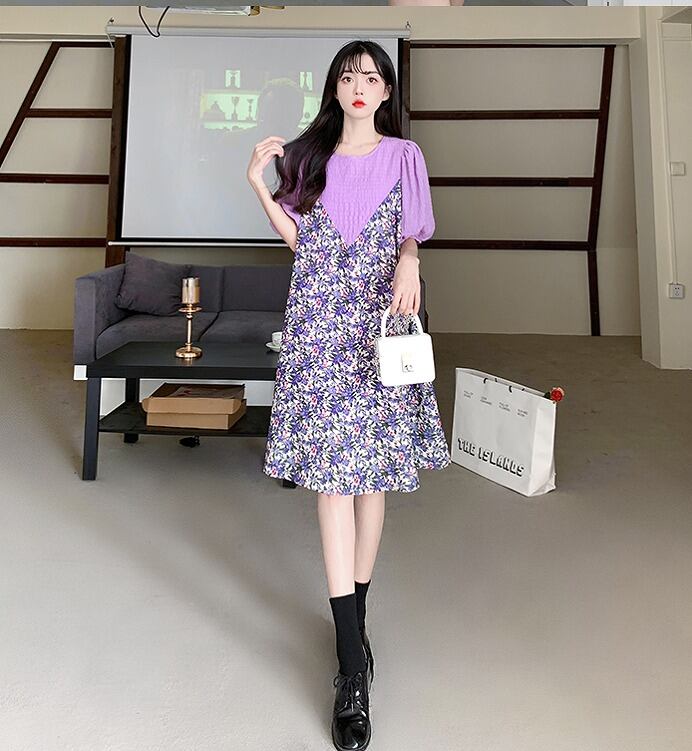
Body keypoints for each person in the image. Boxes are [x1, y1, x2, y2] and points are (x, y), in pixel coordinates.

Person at [246, 40, 451, 751]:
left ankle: (354, 624)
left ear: (386, 91)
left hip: (377, 323)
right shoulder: (308, 160)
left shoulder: (404, 156)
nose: (359, 85)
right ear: (334, 90)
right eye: (347, 76)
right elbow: (299, 241)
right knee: (332, 485)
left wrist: (409, 257)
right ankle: (350, 665)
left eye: (370, 76)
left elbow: (410, 235)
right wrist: (258, 186)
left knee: (371, 482)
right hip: (318, 326)